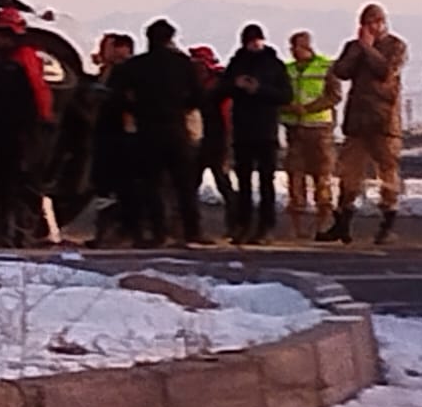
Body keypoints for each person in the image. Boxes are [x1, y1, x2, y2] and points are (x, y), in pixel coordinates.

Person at [320, 3, 408, 245]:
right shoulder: (354, 47)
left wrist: (369, 50)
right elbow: (341, 71)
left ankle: (387, 221)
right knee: (349, 173)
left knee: (387, 173)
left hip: (383, 121)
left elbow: (384, 71)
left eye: (377, 22)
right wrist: (359, 49)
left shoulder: (395, 46)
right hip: (358, 121)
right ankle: (342, 222)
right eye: (368, 23)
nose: (373, 27)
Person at [118, 19, 209, 246]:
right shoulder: (182, 64)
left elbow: (119, 96)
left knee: (151, 184)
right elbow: (199, 95)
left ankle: (158, 232)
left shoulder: (136, 65)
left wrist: (137, 109)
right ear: (170, 38)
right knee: (185, 184)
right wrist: (183, 107)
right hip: (176, 128)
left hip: (147, 130)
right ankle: (192, 231)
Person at [0, 7, 53, 247]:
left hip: (21, 132)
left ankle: (24, 230)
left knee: (22, 182)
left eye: (3, 33)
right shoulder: (2, 61)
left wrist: (39, 123)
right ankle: (12, 230)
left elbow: (38, 91)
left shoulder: (22, 58)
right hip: (4, 130)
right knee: (7, 182)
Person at [218, 24, 292, 244]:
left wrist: (259, 90)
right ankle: (244, 225)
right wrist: (235, 85)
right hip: (242, 129)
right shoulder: (236, 63)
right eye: (250, 40)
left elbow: (285, 95)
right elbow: (222, 89)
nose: (254, 44)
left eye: (257, 40)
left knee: (266, 181)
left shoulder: (274, 65)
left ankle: (265, 226)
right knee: (244, 182)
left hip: (266, 129)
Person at [281, 31, 341, 239]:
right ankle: (297, 225)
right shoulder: (287, 70)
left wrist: (309, 108)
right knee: (295, 178)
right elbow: (279, 95)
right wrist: (288, 108)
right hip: (294, 130)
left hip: (319, 130)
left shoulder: (326, 67)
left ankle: (322, 223)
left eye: (296, 47)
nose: (293, 51)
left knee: (322, 177)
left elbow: (334, 95)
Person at [87, 33, 137, 246]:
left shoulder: (129, 73)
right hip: (104, 133)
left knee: (120, 185)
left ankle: (119, 231)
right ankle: (104, 231)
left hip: (120, 134)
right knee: (104, 187)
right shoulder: (105, 73)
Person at [188, 45, 236, 236]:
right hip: (201, 138)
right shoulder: (201, 84)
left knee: (222, 182)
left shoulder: (217, 85)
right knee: (193, 183)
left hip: (217, 138)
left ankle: (234, 224)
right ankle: (192, 226)